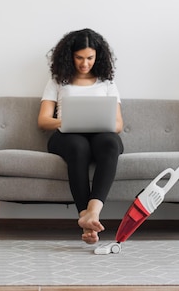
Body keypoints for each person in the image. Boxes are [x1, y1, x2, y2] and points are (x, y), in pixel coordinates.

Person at [38, 28, 124, 245]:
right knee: (78, 146)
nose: (85, 63)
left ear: (98, 56)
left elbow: (118, 124)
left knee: (111, 143)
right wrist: (69, 122)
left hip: (100, 136)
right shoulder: (57, 82)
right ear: (69, 56)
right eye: (79, 57)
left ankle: (93, 212)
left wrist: (95, 123)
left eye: (89, 58)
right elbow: (43, 120)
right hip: (66, 137)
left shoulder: (107, 83)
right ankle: (83, 215)